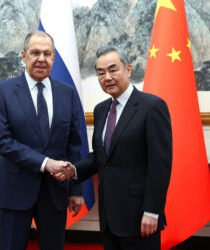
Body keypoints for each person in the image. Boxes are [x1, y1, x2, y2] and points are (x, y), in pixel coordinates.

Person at [56, 45, 172, 250]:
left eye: (113, 70)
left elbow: (160, 164)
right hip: (109, 215)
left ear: (128, 69)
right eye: (100, 73)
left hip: (140, 216)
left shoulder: (152, 106)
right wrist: (73, 171)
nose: (107, 77)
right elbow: (100, 157)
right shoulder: (101, 110)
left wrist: (153, 211)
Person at [0, 31, 84, 250]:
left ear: (53, 58)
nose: (41, 58)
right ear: (23, 56)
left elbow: (74, 145)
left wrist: (76, 190)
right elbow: (2, 141)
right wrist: (46, 163)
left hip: (55, 192)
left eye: (47, 53)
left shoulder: (68, 93)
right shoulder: (3, 91)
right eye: (35, 52)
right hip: (14, 191)